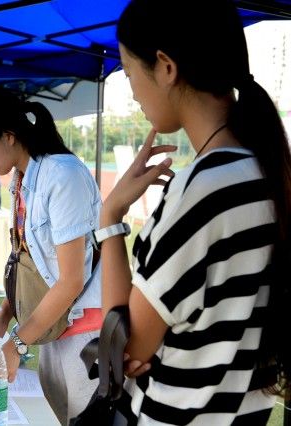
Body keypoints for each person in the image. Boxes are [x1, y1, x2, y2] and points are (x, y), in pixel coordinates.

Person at [98, 0, 291, 423]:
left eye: (129, 72)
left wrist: (110, 217)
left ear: (166, 67)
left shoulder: (201, 190)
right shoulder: (269, 173)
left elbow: (125, 348)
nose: (133, 91)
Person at [0, 86, 102, 425]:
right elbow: (28, 262)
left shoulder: (62, 176)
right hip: (51, 327)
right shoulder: (22, 179)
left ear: (8, 136)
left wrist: (17, 344)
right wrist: (4, 315)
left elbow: (70, 281)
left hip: (84, 334)